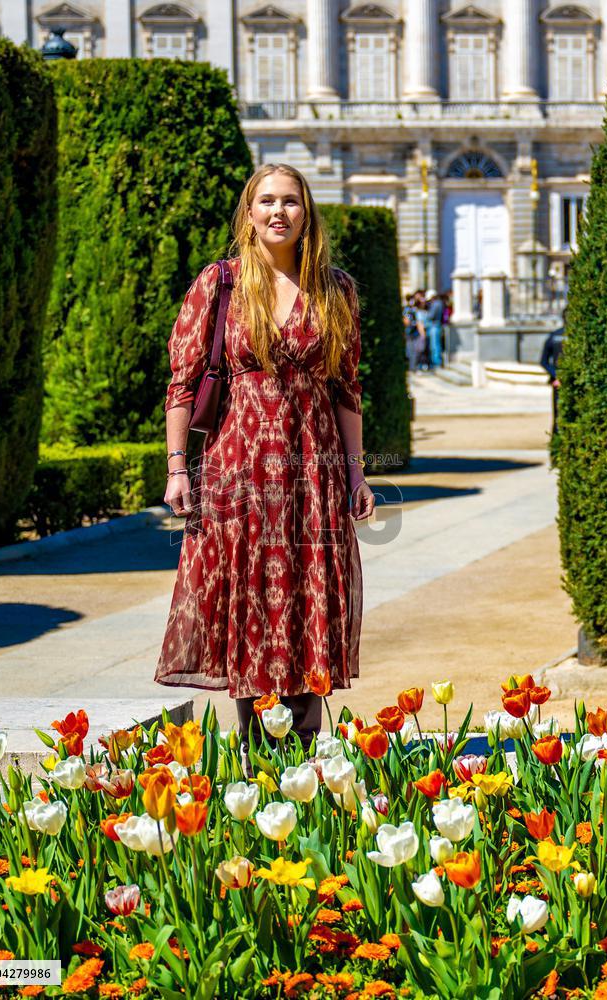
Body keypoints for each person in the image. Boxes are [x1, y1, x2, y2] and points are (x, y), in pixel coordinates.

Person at [154, 163, 375, 751]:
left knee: (308, 598)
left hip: (314, 470)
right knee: (248, 596)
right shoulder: (220, 283)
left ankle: (304, 749)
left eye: (291, 201)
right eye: (267, 201)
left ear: (307, 213)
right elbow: (183, 382)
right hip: (239, 469)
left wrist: (357, 473)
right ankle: (256, 751)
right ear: (249, 214)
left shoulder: (336, 289)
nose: (279, 212)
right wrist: (178, 468)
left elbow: (346, 389)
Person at [540, 306, 567, 435]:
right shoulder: (579, 337)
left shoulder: (554, 335)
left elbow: (544, 362)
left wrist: (557, 376)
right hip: (568, 381)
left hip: (558, 381)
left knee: (557, 415)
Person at [425, 289, 444, 369]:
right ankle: (435, 362)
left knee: (435, 345)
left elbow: (431, 316)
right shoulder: (439, 303)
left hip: (434, 326)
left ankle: (436, 362)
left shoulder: (436, 304)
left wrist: (426, 314)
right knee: (435, 345)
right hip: (436, 325)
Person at [403, 294, 420, 372]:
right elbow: (406, 321)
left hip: (413, 333)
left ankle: (412, 367)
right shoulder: (408, 310)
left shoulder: (411, 309)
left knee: (413, 351)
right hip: (409, 333)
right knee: (411, 351)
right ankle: (411, 368)